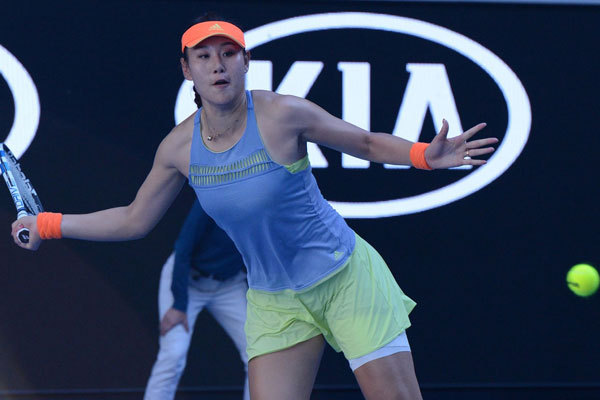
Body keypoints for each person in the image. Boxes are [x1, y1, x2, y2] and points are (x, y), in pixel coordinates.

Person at [12, 16, 498, 400]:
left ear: (246, 61)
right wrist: (49, 225)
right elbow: (134, 218)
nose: (217, 65)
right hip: (274, 301)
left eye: (228, 54)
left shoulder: (284, 114)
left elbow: (367, 143)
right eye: (203, 56)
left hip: (347, 280)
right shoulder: (178, 149)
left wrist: (422, 156)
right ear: (187, 70)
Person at [144, 200, 249, 400]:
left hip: (229, 283)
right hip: (186, 280)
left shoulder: (265, 206)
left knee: (258, 351)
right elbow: (184, 248)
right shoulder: (212, 197)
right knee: (173, 354)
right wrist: (179, 304)